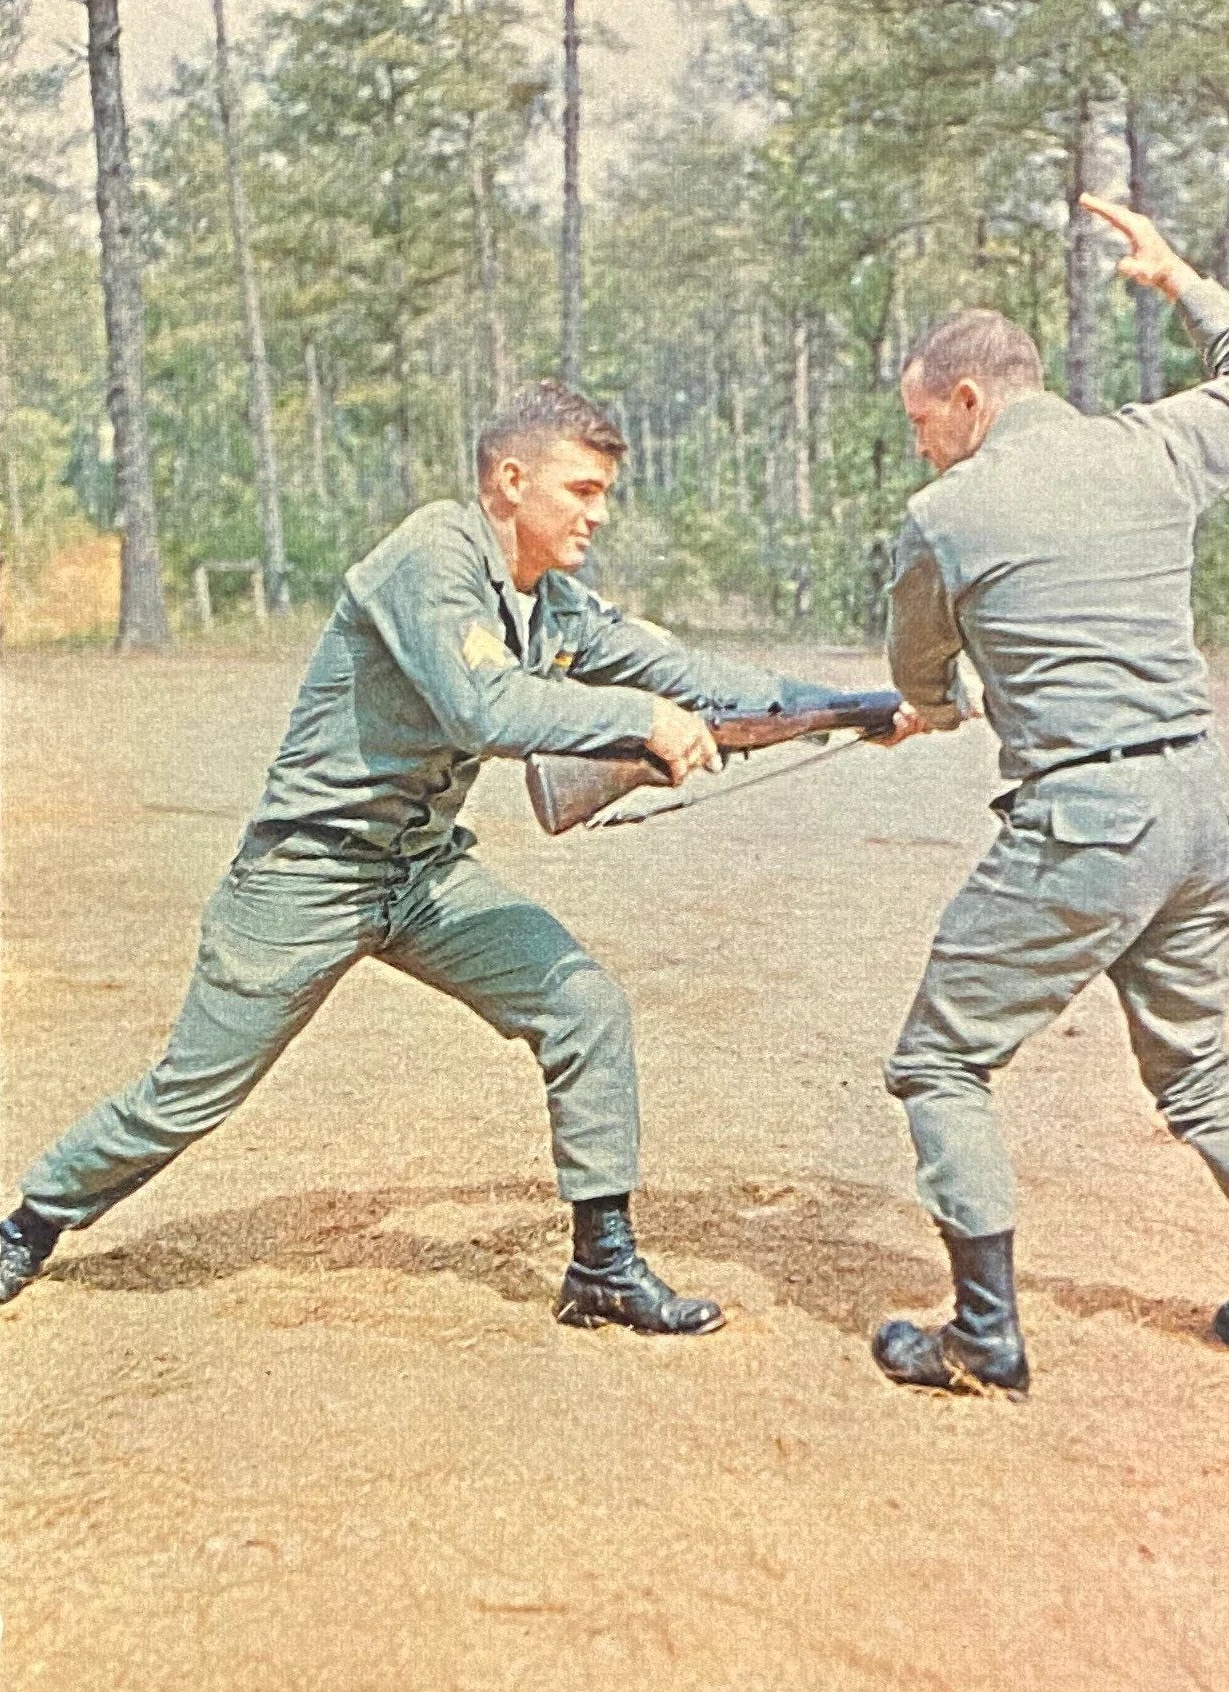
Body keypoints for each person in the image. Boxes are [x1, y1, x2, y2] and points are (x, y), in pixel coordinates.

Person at [0, 382, 843, 1336]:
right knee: (184, 1099)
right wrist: (643, 721)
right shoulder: (431, 554)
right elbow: (488, 711)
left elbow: (689, 673)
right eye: (580, 490)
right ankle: (29, 1225)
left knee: (583, 1006)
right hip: (305, 875)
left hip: (424, 871)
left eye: (604, 493)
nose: (597, 514)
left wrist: (855, 707)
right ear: (510, 481)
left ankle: (602, 1265)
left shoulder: (550, 604)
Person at [872, 195, 1229, 1395]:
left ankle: (980, 1335)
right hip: (1201, 816)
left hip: (1085, 830)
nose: (920, 446)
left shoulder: (942, 514)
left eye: (923, 421)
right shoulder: (1151, 446)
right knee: (1194, 1070)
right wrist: (1176, 276)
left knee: (937, 1064)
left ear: (970, 402)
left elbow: (917, 676)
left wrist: (936, 697)